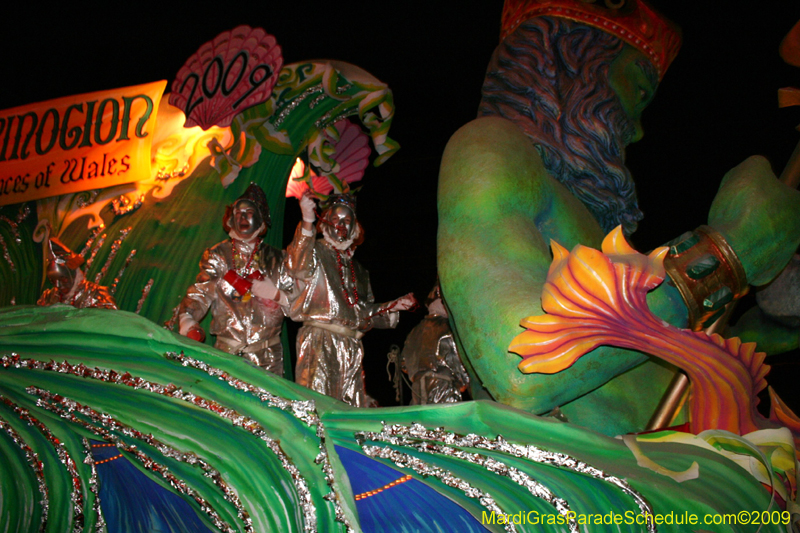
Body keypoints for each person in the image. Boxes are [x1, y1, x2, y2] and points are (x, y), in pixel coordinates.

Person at [437, 0, 800, 435]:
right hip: (582, 492)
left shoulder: (592, 234)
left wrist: (758, 332)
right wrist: (727, 253)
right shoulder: (489, 149)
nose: (639, 128)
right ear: (570, 67)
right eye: (640, 90)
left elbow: (632, 374)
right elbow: (521, 367)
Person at [285, 192, 416, 406]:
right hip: (320, 339)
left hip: (352, 346)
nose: (341, 225)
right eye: (335, 219)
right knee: (318, 405)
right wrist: (307, 219)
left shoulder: (360, 271)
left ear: (355, 228)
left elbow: (363, 313)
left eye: (347, 221)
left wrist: (393, 306)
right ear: (326, 222)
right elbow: (297, 266)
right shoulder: (315, 249)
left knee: (351, 408)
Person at [178, 183, 293, 376]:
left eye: (249, 211)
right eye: (238, 212)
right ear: (231, 218)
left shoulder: (279, 259)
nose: (243, 217)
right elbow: (200, 292)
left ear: (262, 218)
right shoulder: (218, 255)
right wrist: (187, 318)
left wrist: (277, 295)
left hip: (268, 359)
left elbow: (298, 305)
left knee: (263, 407)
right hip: (226, 356)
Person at [399, 283, 469, 405]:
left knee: (421, 421)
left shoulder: (414, 331)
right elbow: (457, 357)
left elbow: (403, 364)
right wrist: (465, 381)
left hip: (417, 390)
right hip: (443, 386)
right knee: (446, 421)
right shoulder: (448, 327)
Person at [37, 236, 118, 310]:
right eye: (53, 281)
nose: (58, 285)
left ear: (73, 274)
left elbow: (111, 319)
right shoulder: (48, 297)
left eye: (63, 279)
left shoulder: (96, 294)